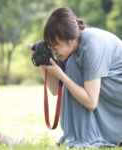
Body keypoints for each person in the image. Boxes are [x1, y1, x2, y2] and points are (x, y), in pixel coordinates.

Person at [29, 7, 122, 148]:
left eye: (56, 47)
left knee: (73, 64)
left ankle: (87, 137)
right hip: (110, 91)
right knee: (73, 64)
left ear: (71, 40)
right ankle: (79, 136)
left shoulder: (91, 45)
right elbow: (55, 90)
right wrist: (43, 62)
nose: (54, 52)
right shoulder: (69, 48)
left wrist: (62, 75)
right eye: (50, 47)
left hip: (117, 87)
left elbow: (91, 102)